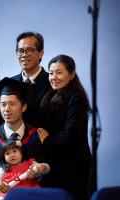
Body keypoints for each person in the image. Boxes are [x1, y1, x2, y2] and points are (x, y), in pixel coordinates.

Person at [38, 54, 92, 200]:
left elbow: (70, 134)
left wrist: (47, 141)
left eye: (59, 72)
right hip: (55, 166)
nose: (54, 77)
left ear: (72, 74)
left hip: (74, 168)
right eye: (51, 73)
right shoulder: (50, 97)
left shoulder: (76, 98)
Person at [11, 31, 52, 128]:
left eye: (29, 50)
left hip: (44, 141)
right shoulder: (11, 84)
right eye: (20, 51)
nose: (24, 55)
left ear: (41, 53)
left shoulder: (52, 83)